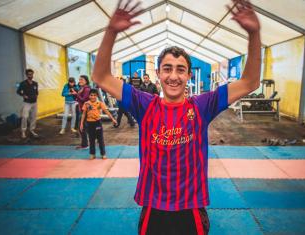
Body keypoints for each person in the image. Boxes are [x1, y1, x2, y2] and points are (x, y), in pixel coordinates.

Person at [93, 0, 261, 234]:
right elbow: (101, 76)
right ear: (159, 74)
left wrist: (254, 33)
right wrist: (111, 32)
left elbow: (250, 82)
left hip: (191, 208)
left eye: (180, 69)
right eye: (167, 68)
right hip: (153, 206)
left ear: (189, 75)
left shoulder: (203, 105)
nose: (174, 76)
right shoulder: (144, 104)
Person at [80, 88, 117, 159]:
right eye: (91, 95)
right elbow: (84, 114)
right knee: (91, 139)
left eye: (94, 95)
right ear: (89, 96)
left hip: (97, 123)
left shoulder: (100, 103)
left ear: (97, 96)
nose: (93, 97)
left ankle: (103, 154)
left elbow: (106, 111)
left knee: (100, 139)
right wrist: (81, 123)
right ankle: (92, 154)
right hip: (89, 124)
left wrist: (112, 119)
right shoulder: (86, 103)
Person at [17, 69, 39, 139]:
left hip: (34, 103)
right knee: (25, 117)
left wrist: (36, 95)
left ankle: (32, 130)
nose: (31, 76)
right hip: (27, 103)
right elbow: (18, 91)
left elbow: (36, 92)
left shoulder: (35, 83)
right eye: (29, 74)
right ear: (26, 75)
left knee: (33, 117)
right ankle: (23, 131)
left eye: (31, 74)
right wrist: (23, 95)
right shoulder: (23, 83)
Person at [74, 75, 91, 149]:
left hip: (86, 110)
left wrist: (76, 94)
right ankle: (86, 143)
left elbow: (84, 100)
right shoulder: (82, 88)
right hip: (82, 109)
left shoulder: (86, 89)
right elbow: (79, 99)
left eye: (82, 80)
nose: (80, 81)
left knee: (82, 127)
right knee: (84, 127)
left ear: (86, 81)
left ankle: (85, 144)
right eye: (79, 79)